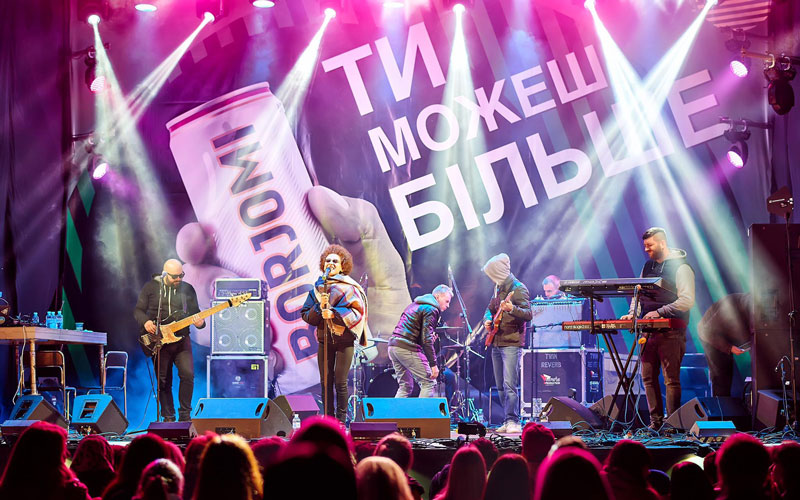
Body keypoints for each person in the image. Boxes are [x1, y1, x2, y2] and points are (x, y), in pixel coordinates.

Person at [621, 227, 695, 429]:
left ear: (662, 243)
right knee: (648, 378)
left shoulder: (682, 267)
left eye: (650, 245)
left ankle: (672, 425)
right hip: (648, 331)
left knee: (671, 380)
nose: (646, 249)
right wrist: (633, 313)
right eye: (645, 245)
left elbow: (687, 300)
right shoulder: (647, 266)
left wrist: (660, 312)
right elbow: (638, 294)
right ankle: (656, 424)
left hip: (672, 331)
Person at [301, 244, 369, 422]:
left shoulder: (350, 287)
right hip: (324, 341)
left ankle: (340, 421)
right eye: (328, 260)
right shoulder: (316, 290)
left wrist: (334, 314)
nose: (330, 263)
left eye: (335, 261)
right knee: (325, 383)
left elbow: (357, 313)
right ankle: (328, 420)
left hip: (344, 341)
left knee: (340, 382)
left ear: (342, 266)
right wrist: (319, 307)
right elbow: (307, 316)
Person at [134, 258, 205, 422]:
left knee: (188, 375)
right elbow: (138, 310)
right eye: (174, 276)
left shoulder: (187, 289)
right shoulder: (151, 288)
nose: (178, 279)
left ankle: (185, 416)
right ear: (165, 274)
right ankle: (168, 417)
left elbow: (196, 313)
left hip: (182, 339)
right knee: (163, 381)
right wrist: (146, 322)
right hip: (159, 341)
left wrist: (200, 323)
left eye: (181, 275)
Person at [482, 253, 532, 434]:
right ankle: (506, 418)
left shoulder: (518, 288)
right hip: (496, 341)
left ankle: (513, 420)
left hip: (511, 342)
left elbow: (528, 314)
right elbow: (489, 310)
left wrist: (512, 308)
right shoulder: (497, 288)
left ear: (498, 272)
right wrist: (487, 320)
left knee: (510, 384)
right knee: (500, 385)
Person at [0, 421, 92, 500]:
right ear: (50, 454)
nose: (68, 454)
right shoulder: (71, 491)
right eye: (63, 448)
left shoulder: (8, 491)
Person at [388, 284, 452, 398]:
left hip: (394, 346)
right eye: (446, 301)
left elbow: (415, 332)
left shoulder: (415, 304)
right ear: (437, 297)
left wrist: (424, 341)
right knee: (429, 383)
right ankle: (422, 411)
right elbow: (426, 339)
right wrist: (433, 365)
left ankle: (395, 411)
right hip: (406, 348)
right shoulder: (432, 309)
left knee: (405, 386)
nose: (448, 305)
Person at [697, 293, 752, 397]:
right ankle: (720, 403)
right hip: (710, 335)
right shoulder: (728, 310)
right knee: (721, 377)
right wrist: (729, 347)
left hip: (728, 333)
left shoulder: (755, 308)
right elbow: (706, 331)